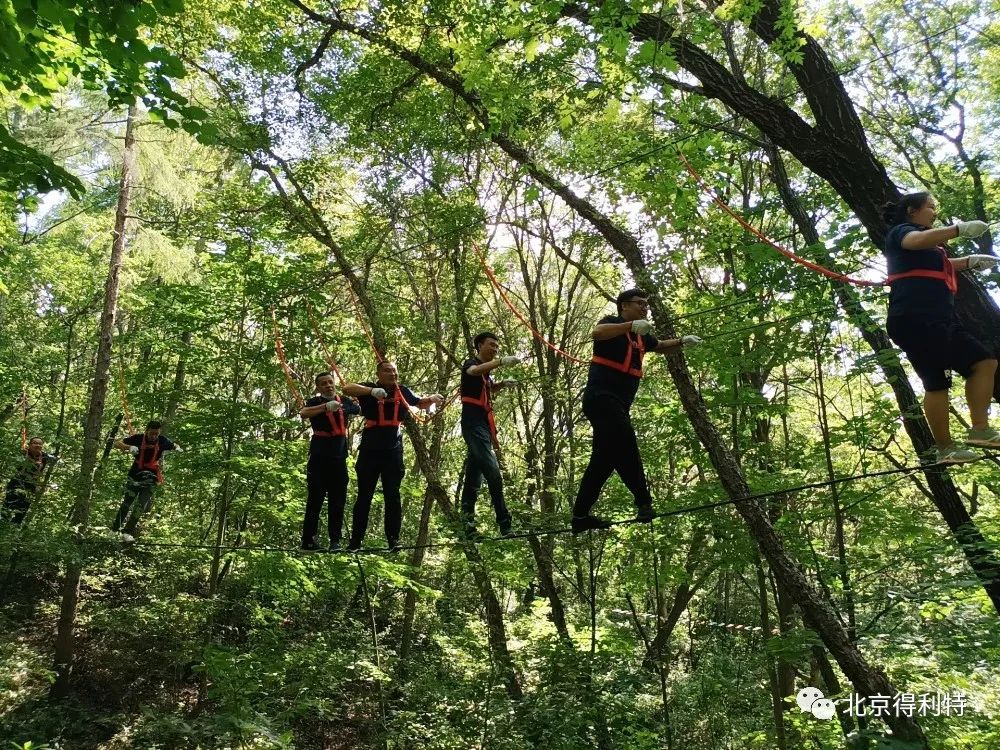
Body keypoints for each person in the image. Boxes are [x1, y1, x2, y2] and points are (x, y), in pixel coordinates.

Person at [572, 289, 702, 533]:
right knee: (626, 442)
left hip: (620, 405)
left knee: (604, 460)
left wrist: (682, 341)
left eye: (646, 305)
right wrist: (631, 325)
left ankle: (580, 516)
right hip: (601, 399)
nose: (645, 308)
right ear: (624, 306)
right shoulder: (612, 324)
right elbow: (597, 333)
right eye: (640, 304)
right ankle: (643, 501)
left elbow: (660, 345)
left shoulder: (642, 336)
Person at [883, 193, 998, 464]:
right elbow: (915, 241)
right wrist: (959, 229)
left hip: (922, 320)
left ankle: (957, 443)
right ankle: (971, 434)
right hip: (920, 319)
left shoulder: (929, 248)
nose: (934, 212)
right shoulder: (903, 232)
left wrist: (969, 261)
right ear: (912, 211)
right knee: (976, 365)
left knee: (949, 378)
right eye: (931, 207)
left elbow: (940, 265)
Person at [342, 361, 442, 552]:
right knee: (364, 495)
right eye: (387, 371)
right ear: (378, 374)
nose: (392, 374)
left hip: (393, 449)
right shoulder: (370, 387)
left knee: (392, 496)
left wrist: (432, 399)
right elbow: (347, 388)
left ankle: (393, 540)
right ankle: (355, 541)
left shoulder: (402, 391)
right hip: (370, 448)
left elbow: (418, 402)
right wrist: (371, 392)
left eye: (394, 371)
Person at [460, 332, 520, 540]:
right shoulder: (471, 364)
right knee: (493, 472)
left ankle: (467, 527)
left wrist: (502, 384)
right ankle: (505, 524)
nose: (495, 349)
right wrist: (500, 362)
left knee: (473, 478)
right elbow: (473, 371)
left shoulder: (487, 375)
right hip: (473, 424)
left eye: (497, 348)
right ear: (479, 346)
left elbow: (487, 389)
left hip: (483, 425)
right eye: (491, 345)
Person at [298, 371, 361, 551]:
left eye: (330, 382)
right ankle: (308, 540)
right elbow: (303, 413)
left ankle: (335, 541)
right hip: (319, 458)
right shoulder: (315, 402)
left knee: (338, 500)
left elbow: (360, 409)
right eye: (323, 383)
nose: (328, 385)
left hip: (339, 458)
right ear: (318, 387)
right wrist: (326, 407)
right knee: (315, 500)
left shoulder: (345, 401)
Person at [112, 420, 179, 540]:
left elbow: (173, 445)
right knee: (127, 502)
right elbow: (116, 443)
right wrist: (129, 447)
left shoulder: (162, 440)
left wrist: (177, 448)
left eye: (156, 434)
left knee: (141, 505)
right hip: (135, 474)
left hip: (151, 477)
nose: (153, 436)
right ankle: (114, 529)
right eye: (151, 433)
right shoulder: (138, 438)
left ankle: (127, 532)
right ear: (147, 431)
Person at [2, 437, 58, 525]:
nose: (38, 445)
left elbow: (56, 459)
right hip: (16, 483)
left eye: (40, 444)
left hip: (31, 486)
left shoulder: (44, 456)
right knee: (8, 506)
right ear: (30, 445)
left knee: (22, 510)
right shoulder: (23, 453)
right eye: (35, 443)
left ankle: (14, 529)